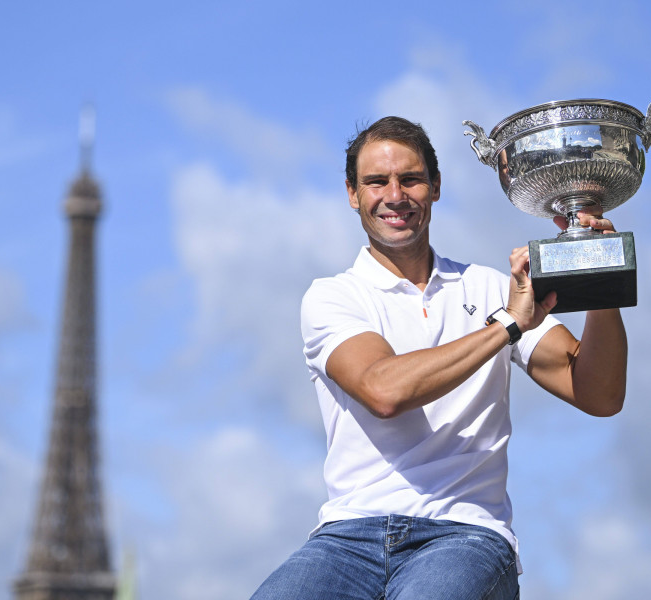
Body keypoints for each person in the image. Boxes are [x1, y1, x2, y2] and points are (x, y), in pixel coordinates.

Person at [251, 116, 627, 600]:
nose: (395, 195)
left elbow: (599, 393)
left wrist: (601, 278)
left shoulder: (491, 287)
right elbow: (384, 391)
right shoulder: (332, 297)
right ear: (352, 193)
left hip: (464, 533)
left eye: (410, 179)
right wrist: (507, 325)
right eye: (376, 182)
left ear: (436, 186)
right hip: (348, 538)